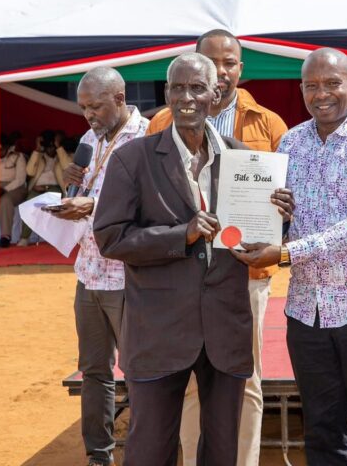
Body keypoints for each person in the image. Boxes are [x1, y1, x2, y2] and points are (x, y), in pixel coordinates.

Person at [93, 53, 293, 466]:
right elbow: (111, 238)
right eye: (178, 88)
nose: (187, 97)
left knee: (222, 452)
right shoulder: (134, 159)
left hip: (226, 329)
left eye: (197, 88)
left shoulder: (244, 161)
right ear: (166, 94)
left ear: (215, 93)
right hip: (159, 331)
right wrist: (180, 235)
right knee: (150, 450)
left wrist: (278, 218)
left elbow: (257, 239)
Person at [233, 48, 347, 465]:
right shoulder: (292, 141)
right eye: (311, 86)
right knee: (322, 432)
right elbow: (286, 217)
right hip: (307, 312)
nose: (321, 94)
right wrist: (274, 217)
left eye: (332, 83)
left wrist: (287, 251)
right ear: (302, 90)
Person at [146, 29, 288, 466]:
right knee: (187, 380)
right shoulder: (161, 124)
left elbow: (287, 203)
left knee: (243, 380)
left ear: (241, 69)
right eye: (212, 61)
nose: (221, 71)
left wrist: (283, 210)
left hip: (245, 276)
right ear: (194, 64)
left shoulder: (268, 124)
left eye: (230, 62)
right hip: (179, 277)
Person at [55, 67, 149, 466]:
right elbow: (81, 195)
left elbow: (149, 206)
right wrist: (70, 187)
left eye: (95, 106)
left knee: (139, 371)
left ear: (120, 98)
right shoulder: (88, 141)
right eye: (83, 108)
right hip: (88, 273)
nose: (88, 115)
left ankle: (146, 451)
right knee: (93, 371)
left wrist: (91, 205)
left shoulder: (148, 137)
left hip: (128, 276)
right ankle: (99, 455)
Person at [18, 130, 72, 246]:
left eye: (53, 147)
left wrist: (59, 148)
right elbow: (29, 172)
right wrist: (37, 150)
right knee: (29, 204)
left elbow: (68, 167)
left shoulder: (62, 155)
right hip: (37, 188)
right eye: (48, 147)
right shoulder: (39, 156)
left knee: (53, 203)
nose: (50, 149)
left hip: (55, 188)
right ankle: (24, 237)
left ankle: (54, 237)